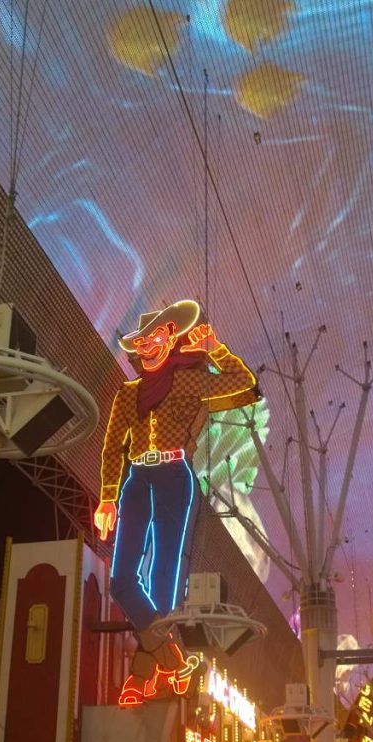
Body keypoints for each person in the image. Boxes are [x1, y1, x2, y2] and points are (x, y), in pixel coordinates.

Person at [94, 300, 259, 706]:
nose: (147, 345)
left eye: (154, 337)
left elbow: (244, 383)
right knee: (121, 580)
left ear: (170, 338)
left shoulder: (191, 381)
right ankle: (172, 660)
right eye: (141, 340)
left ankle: (143, 676)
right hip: (136, 479)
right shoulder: (127, 394)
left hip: (173, 475)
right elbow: (113, 447)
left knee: (163, 576)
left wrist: (215, 349)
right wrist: (108, 498)